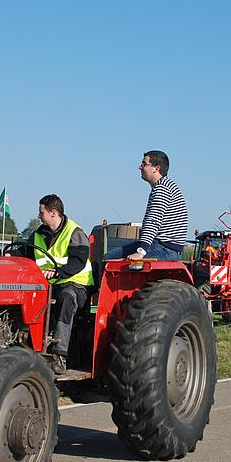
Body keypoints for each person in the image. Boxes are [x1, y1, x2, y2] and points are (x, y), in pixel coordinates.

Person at [28, 194, 94, 375]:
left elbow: (78, 260)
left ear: (53, 213)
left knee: (66, 299)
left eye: (41, 212)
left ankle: (59, 354)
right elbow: (27, 252)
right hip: (50, 284)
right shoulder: (38, 234)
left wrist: (58, 272)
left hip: (76, 284)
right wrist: (12, 255)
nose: (38, 215)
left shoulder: (75, 232)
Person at [105, 150, 188, 261]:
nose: (140, 167)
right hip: (163, 247)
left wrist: (141, 251)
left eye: (144, 164)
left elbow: (153, 220)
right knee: (111, 257)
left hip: (165, 249)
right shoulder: (165, 186)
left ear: (156, 168)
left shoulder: (162, 189)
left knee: (110, 260)